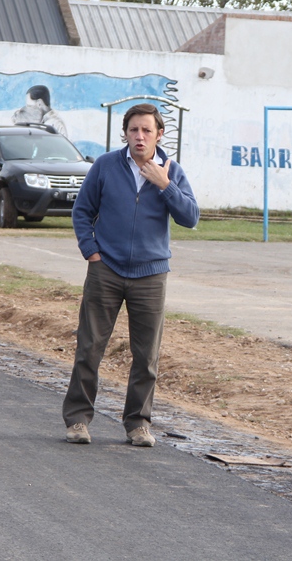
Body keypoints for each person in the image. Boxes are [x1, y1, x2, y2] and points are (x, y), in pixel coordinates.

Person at [63, 103, 198, 446]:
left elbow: (190, 217)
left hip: (151, 274)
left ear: (160, 134)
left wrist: (164, 184)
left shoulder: (171, 170)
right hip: (106, 269)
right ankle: (78, 419)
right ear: (125, 132)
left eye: (147, 131)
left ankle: (138, 423)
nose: (140, 136)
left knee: (146, 355)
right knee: (89, 347)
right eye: (134, 130)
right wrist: (90, 250)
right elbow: (82, 211)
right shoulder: (106, 166)